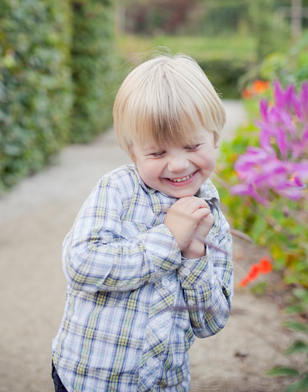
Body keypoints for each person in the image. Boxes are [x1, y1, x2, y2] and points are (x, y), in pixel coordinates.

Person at [51, 54, 234, 391]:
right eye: (156, 153)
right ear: (132, 152)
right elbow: (81, 264)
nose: (178, 165)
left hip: (163, 383)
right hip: (90, 379)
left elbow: (211, 322)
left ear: (216, 138)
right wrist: (168, 240)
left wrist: (195, 253)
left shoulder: (212, 221)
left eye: (192, 145)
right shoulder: (117, 190)